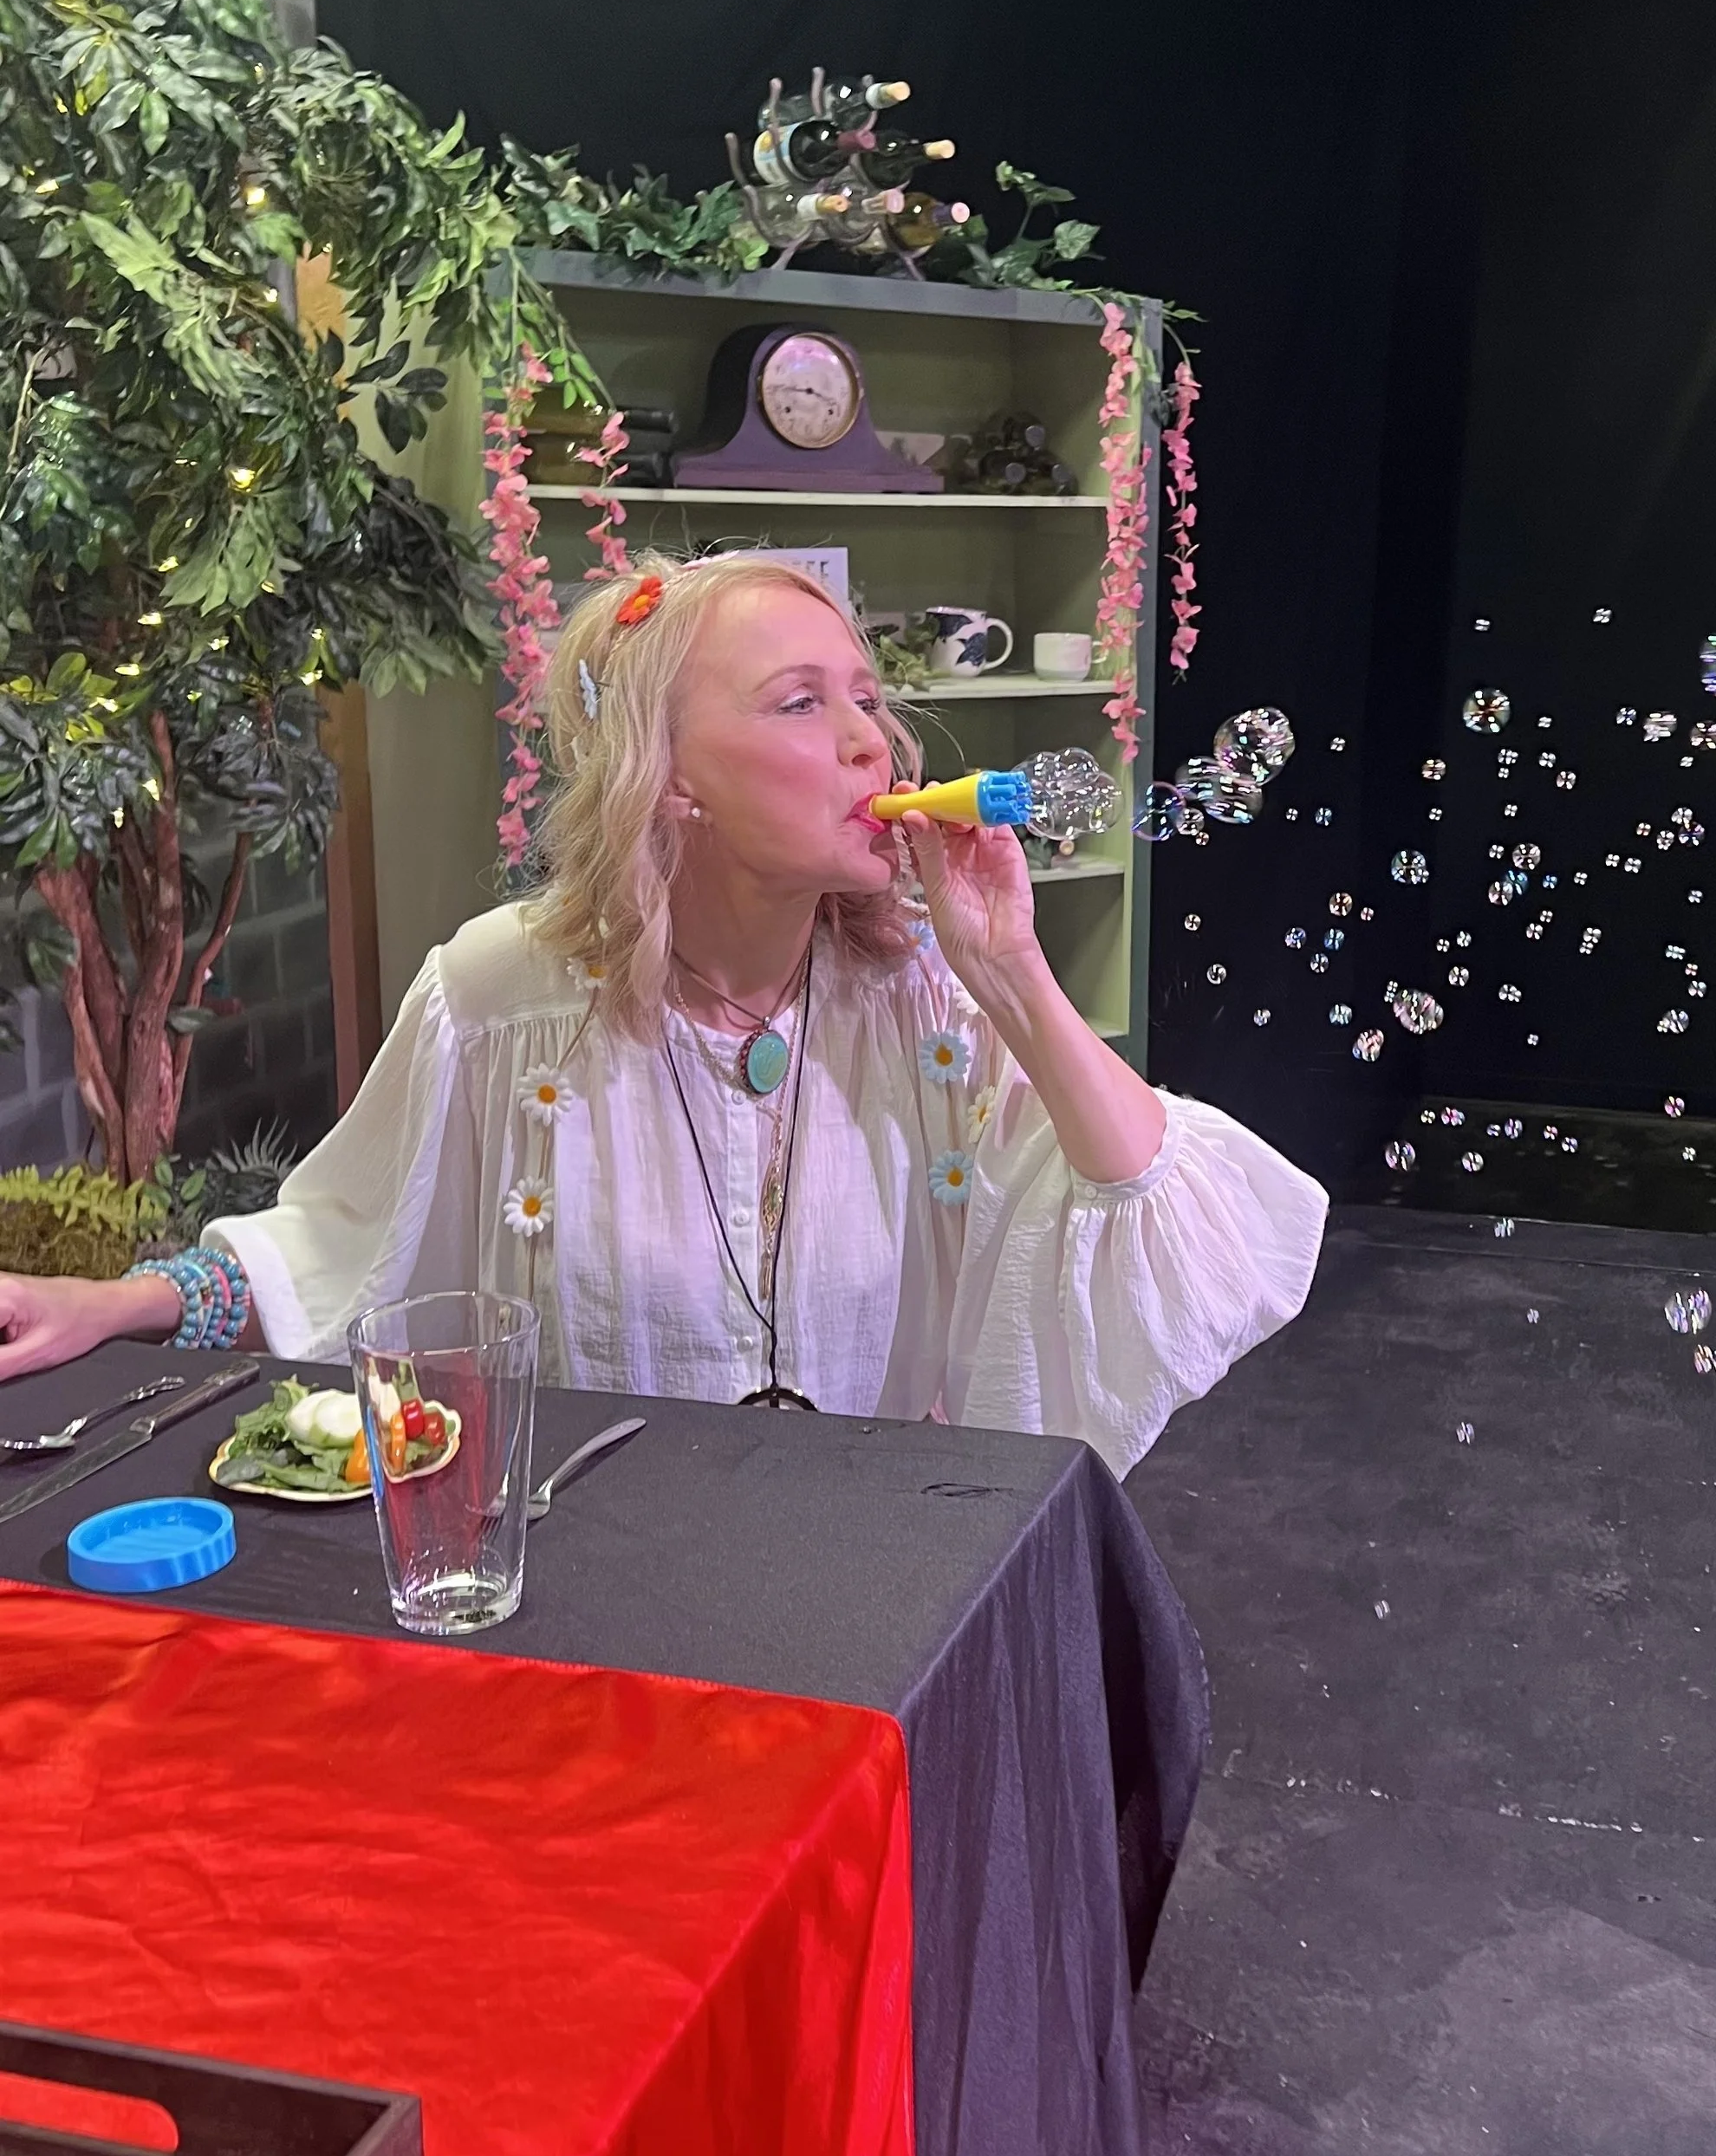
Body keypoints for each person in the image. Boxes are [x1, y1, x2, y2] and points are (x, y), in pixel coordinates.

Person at [0, 555, 1327, 1476]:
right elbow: (342, 1246)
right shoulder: (499, 995)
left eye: (868, 697)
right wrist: (116, 1303)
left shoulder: (932, 993)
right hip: (600, 1617)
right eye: (801, 703)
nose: (874, 742)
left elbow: (1173, 1235)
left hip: (872, 1591)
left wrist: (1016, 975)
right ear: (670, 776)